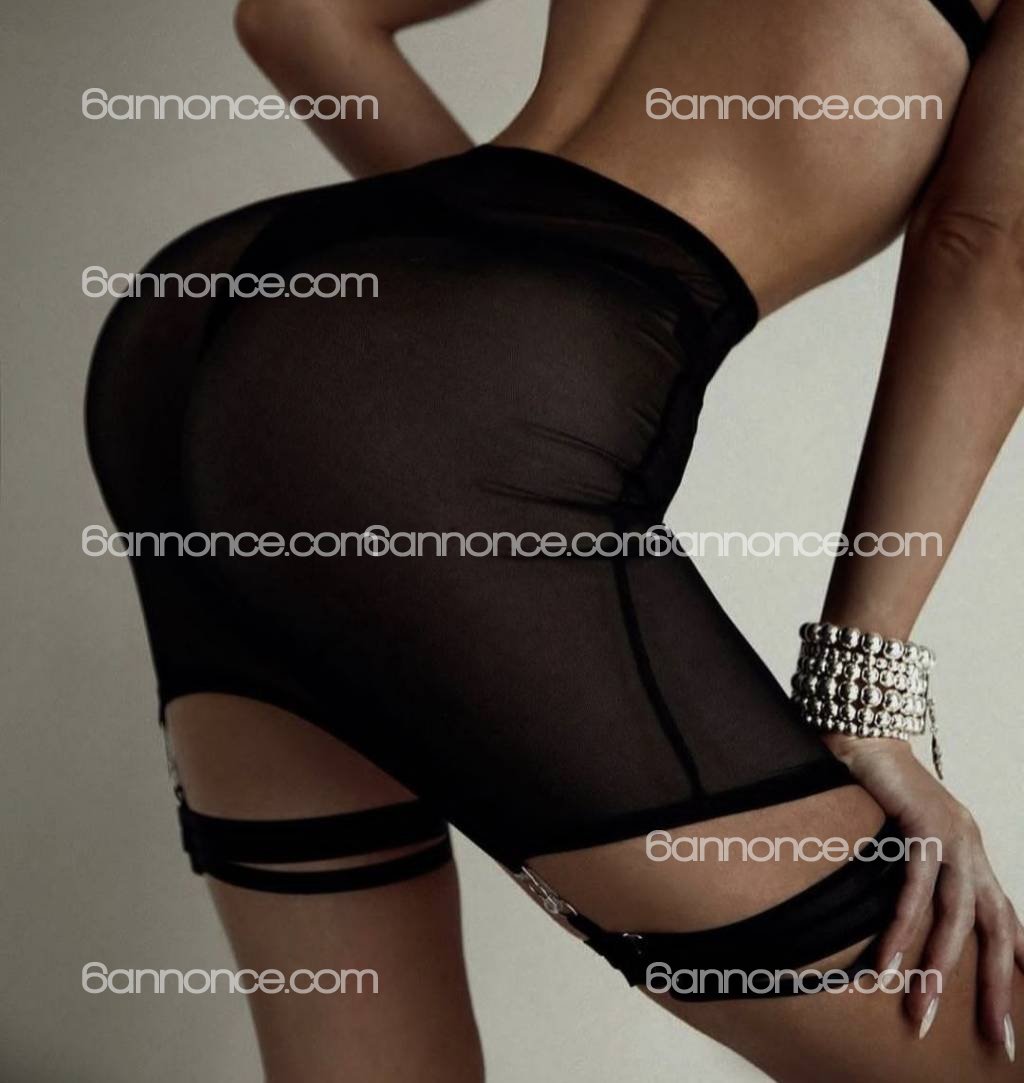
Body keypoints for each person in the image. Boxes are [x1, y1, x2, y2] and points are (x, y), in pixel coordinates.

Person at [86, 1, 1024, 1079]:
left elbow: (298, 15)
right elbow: (986, 248)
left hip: (212, 314)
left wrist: (449, 311)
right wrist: (864, 695)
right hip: (401, 414)